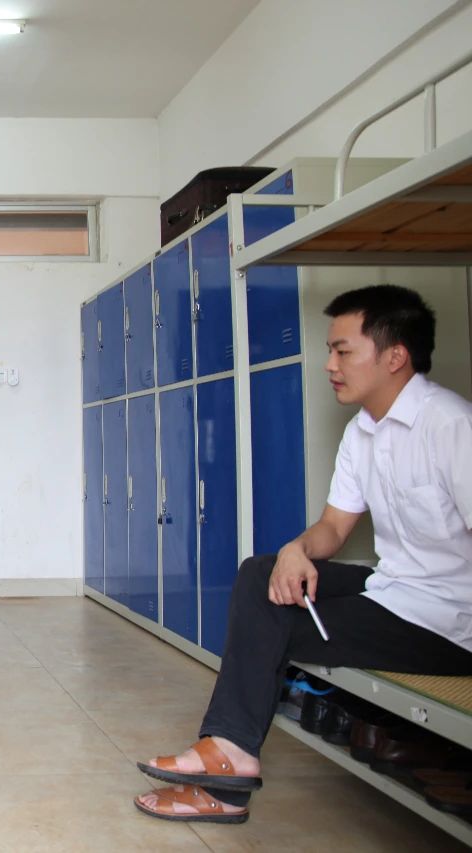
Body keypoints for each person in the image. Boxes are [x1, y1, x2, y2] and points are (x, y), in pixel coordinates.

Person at [135, 284, 472, 824]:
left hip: (447, 620)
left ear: (394, 356)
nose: (329, 365)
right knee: (262, 572)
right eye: (329, 351)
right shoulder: (362, 432)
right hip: (393, 588)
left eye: (343, 351)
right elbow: (334, 528)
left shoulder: (451, 426)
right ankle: (229, 756)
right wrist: (295, 550)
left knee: (274, 621)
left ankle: (227, 773)